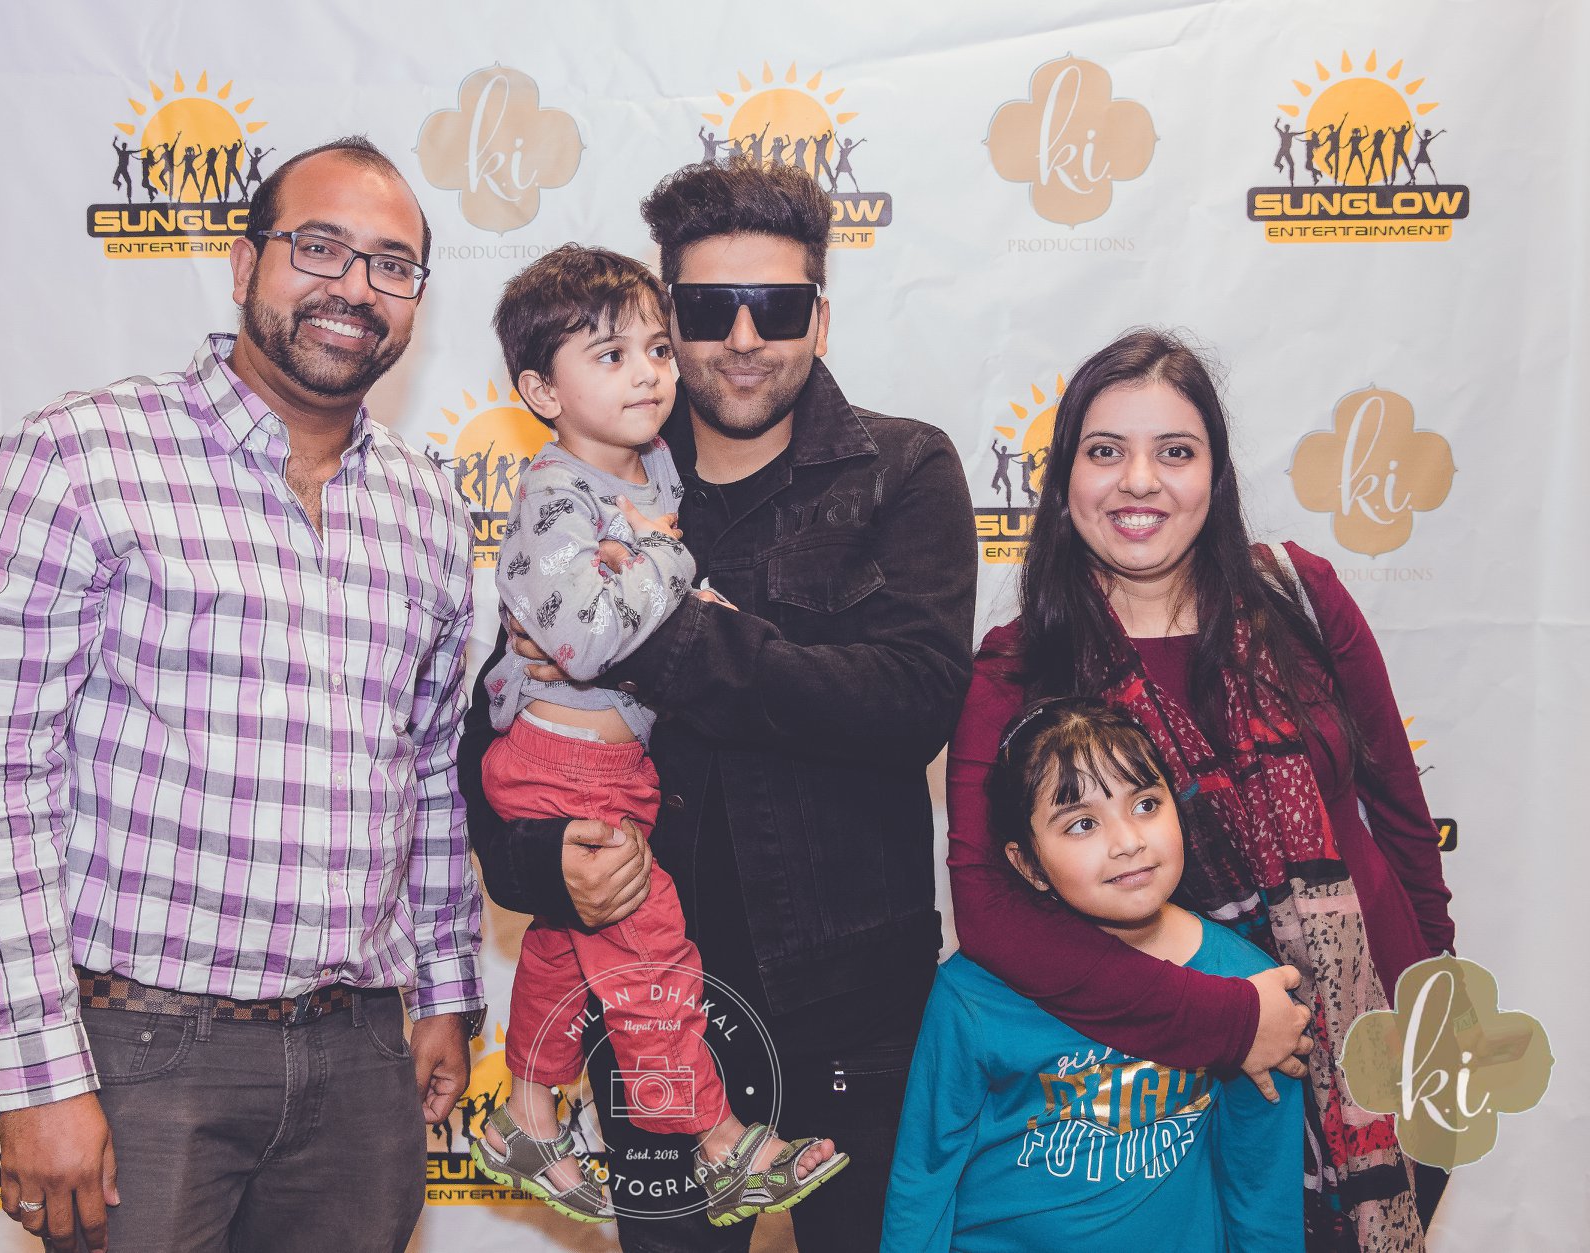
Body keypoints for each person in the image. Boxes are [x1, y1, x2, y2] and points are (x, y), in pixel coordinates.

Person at [0, 137, 484, 1253]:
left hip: (362, 1058)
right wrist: (37, 1069)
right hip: (140, 1053)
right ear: (242, 263)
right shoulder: (81, 458)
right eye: (318, 247)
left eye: (390, 264)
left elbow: (429, 772)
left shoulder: (428, 505)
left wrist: (446, 991)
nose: (353, 287)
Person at [461, 158, 976, 1253]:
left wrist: (660, 633)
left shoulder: (902, 467)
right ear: (667, 316)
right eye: (706, 308)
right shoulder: (598, 480)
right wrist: (540, 864)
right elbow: (500, 724)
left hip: (854, 1005)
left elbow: (910, 701)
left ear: (820, 318)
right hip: (648, 1006)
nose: (743, 336)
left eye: (776, 306)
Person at [947, 328, 1456, 1251]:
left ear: (1215, 477)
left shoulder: (1301, 596)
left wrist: (1440, 993)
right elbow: (989, 913)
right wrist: (1230, 1022)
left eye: (1175, 452)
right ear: (1063, 482)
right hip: (1181, 1093)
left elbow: (1401, 819)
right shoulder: (1021, 668)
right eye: (1106, 451)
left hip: (1382, 1060)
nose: (1139, 481)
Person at [467, 244, 846, 1228]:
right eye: (609, 356)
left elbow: (644, 613)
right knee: (653, 964)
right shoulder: (556, 498)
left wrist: (655, 576)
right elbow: (589, 635)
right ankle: (719, 1141)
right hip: (559, 766)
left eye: (654, 349)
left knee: (568, 946)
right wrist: (670, 566)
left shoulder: (654, 469)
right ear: (540, 392)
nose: (646, 373)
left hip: (611, 764)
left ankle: (525, 1110)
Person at [888, 698, 1300, 1252]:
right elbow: (923, 1176)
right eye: (1082, 824)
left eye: (1147, 804)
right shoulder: (975, 992)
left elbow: (1262, 1191)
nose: (1128, 841)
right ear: (1028, 864)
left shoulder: (1252, 988)